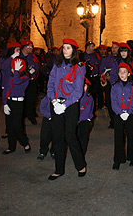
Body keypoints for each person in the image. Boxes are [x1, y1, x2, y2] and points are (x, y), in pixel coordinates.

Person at [46, 38, 87, 180]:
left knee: (70, 136)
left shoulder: (80, 66)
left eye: (68, 48)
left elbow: (78, 91)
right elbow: (50, 83)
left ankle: (80, 164)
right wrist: (54, 101)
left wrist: (64, 105)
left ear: (74, 50)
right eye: (64, 48)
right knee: (57, 137)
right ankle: (58, 169)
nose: (65, 50)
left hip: (70, 105)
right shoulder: (57, 65)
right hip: (56, 103)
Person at [1, 41, 31, 155]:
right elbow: (6, 91)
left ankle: (25, 142)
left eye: (14, 68)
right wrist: (4, 103)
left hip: (18, 103)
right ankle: (11, 146)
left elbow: (17, 82)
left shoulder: (24, 78)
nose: (12, 70)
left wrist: (17, 71)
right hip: (10, 101)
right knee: (9, 126)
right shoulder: (11, 77)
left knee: (17, 126)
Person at [111, 62, 133, 170]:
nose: (122, 74)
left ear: (128, 74)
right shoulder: (114, 86)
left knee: (131, 135)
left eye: (124, 72)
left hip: (129, 114)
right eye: (120, 72)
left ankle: (132, 158)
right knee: (118, 137)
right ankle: (118, 159)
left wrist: (129, 111)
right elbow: (113, 101)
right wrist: (120, 112)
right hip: (118, 114)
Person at [99, 41, 119, 128]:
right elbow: (101, 70)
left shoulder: (121, 58)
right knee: (109, 102)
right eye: (113, 47)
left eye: (116, 47)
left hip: (118, 84)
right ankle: (113, 120)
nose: (114, 49)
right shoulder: (107, 59)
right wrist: (104, 76)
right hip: (109, 84)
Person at [20, 40, 40, 125]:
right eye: (30, 46)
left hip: (31, 81)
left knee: (32, 99)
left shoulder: (32, 57)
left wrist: (34, 71)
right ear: (25, 47)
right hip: (21, 82)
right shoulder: (19, 56)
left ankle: (31, 115)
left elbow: (37, 66)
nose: (32, 48)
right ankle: (22, 115)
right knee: (22, 100)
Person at [80, 41, 101, 117]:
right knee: (86, 95)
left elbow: (99, 64)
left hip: (95, 78)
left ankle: (93, 111)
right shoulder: (81, 56)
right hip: (87, 79)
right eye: (92, 46)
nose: (93, 48)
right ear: (88, 47)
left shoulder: (96, 56)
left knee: (94, 95)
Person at [77, 77, 95, 156]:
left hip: (84, 120)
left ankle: (82, 153)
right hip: (76, 120)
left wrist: (78, 119)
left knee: (83, 138)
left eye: (84, 85)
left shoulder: (88, 97)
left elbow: (87, 111)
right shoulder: (74, 96)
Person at [37, 95, 55, 161]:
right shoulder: (47, 97)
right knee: (44, 136)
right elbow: (42, 107)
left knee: (56, 136)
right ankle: (43, 151)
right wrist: (48, 115)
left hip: (57, 119)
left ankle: (54, 151)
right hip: (48, 119)